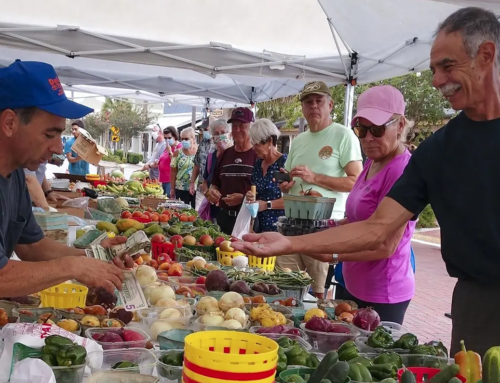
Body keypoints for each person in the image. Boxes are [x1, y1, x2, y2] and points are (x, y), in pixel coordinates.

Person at [232, 6, 500, 356]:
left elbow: (383, 244)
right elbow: (376, 228)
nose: (436, 80)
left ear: (486, 56)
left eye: (447, 66)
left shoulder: (406, 159)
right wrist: (289, 243)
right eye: (434, 69)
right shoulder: (439, 150)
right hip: (479, 300)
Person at [0, 60, 135, 297]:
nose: (58, 148)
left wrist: (91, 258)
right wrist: (71, 267)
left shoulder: (16, 176)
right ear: (10, 123)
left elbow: (32, 246)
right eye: (49, 134)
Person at [332, 85, 416, 324]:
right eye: (362, 129)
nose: (368, 138)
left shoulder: (400, 169)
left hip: (383, 292)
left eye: (377, 129)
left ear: (400, 126)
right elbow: (361, 220)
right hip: (354, 283)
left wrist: (334, 254)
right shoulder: (373, 161)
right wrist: (329, 227)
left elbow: (386, 245)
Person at [276, 81, 363, 299]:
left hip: (323, 226)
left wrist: (315, 178)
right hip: (291, 223)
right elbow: (288, 180)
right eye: (308, 101)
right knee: (284, 288)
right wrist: (285, 185)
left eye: (319, 101)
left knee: (318, 295)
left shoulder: (344, 135)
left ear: (330, 105)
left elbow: (356, 181)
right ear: (303, 108)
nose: (313, 106)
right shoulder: (298, 140)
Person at [208, 108, 257, 234]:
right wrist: (213, 192)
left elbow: (264, 192)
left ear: (251, 127)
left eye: (242, 126)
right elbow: (214, 184)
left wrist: (243, 199)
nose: (237, 130)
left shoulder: (257, 155)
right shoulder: (224, 155)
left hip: (247, 220)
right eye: (234, 126)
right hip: (223, 218)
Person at [245, 119, 286, 232]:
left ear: (269, 141)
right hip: (257, 227)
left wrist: (267, 205)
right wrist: (250, 196)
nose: (253, 148)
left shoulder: (283, 164)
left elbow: (291, 200)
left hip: (278, 228)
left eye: (256, 144)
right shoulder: (258, 164)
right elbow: (256, 192)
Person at [200, 119, 232, 221]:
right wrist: (208, 195)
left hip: (228, 208)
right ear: (213, 138)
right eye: (216, 134)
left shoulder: (233, 156)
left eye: (223, 133)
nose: (220, 136)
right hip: (212, 206)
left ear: (229, 135)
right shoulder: (211, 157)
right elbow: (205, 182)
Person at [190, 120, 215, 209]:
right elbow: (197, 164)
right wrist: (192, 182)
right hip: (201, 186)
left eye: (208, 129)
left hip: (214, 189)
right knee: (199, 215)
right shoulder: (202, 143)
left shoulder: (220, 144)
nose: (206, 131)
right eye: (205, 129)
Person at [170, 127, 198, 208]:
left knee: (195, 214)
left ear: (193, 138)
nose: (184, 141)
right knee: (181, 213)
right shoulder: (177, 153)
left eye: (186, 139)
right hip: (181, 188)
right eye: (182, 139)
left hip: (196, 188)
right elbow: (173, 171)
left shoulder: (199, 151)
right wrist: (172, 188)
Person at [158, 126, 181, 196]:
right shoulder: (168, 146)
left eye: (169, 138)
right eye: (165, 138)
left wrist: (170, 152)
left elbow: (176, 163)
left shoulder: (179, 147)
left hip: (170, 181)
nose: (167, 140)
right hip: (163, 179)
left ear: (175, 136)